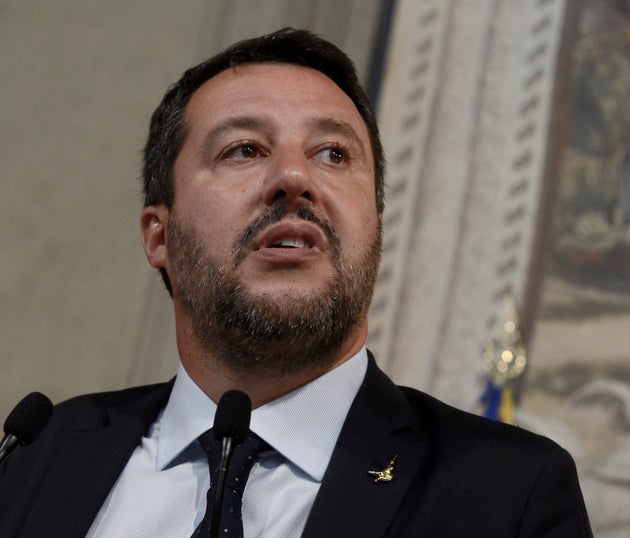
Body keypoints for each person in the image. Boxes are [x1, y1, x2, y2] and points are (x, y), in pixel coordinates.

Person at [0, 28, 592, 537]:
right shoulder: (34, 458)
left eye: (333, 153)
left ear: (375, 230)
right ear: (160, 236)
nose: (293, 176)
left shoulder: (505, 491)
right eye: (244, 149)